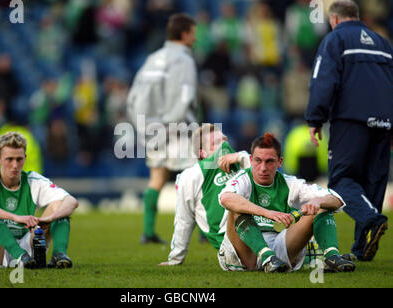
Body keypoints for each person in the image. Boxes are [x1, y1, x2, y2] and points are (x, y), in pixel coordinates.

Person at [305, 0, 391, 261]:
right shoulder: (382, 43)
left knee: (341, 182)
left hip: (350, 121)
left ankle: (372, 220)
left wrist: (315, 118)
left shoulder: (335, 40)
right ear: (358, 17)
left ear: (334, 20)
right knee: (373, 182)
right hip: (384, 123)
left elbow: (323, 79)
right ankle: (361, 248)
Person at [218, 133, 355, 272]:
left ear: (280, 162)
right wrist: (267, 213)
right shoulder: (242, 179)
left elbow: (336, 199)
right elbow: (226, 198)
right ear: (251, 160)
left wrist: (318, 201)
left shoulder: (291, 183)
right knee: (236, 208)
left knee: (322, 207)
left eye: (270, 161)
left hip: (279, 249)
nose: (263, 168)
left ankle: (332, 257)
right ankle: (267, 256)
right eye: (258, 161)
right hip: (244, 255)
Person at [127, 13, 199, 244]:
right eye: (193, 34)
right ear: (185, 34)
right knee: (198, 177)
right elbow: (185, 96)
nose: (195, 39)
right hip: (177, 128)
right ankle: (208, 232)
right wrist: (176, 124)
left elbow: (133, 97)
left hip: (152, 128)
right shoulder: (184, 60)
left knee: (157, 177)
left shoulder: (153, 58)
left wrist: (144, 126)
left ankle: (147, 232)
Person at [0, 132, 79, 269]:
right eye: (9, 159)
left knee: (60, 206)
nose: (15, 165)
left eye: (19, 159)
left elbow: (71, 201)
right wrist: (16, 217)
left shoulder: (34, 180)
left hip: (26, 249)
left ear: (25, 158)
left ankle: (58, 255)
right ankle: (18, 255)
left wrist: (50, 218)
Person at [159, 124, 251, 265]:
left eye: (225, 140)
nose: (224, 146)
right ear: (203, 154)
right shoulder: (191, 176)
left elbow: (272, 180)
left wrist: (242, 157)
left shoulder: (242, 163)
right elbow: (184, 220)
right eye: (216, 143)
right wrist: (175, 258)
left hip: (267, 233)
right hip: (234, 249)